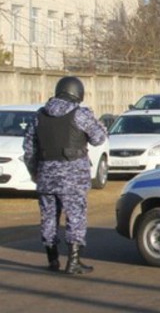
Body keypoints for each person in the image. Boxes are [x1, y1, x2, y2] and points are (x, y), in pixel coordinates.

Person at [23, 76, 108, 275]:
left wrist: (35, 172)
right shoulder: (81, 114)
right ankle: (74, 261)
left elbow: (28, 149)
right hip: (73, 176)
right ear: (77, 93)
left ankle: (52, 260)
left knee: (48, 217)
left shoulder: (39, 115)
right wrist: (99, 123)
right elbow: (99, 139)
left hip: (46, 175)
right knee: (75, 217)